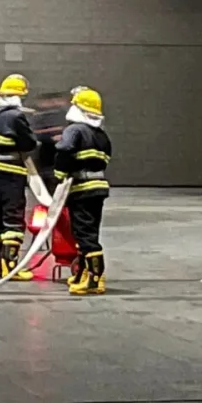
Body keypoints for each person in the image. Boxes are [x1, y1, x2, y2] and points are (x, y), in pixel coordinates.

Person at [54, 87, 112, 295]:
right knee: (88, 232)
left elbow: (64, 149)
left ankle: (95, 280)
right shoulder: (101, 135)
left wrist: (60, 172)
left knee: (84, 235)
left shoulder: (75, 130)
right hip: (98, 188)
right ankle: (82, 274)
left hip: (81, 190)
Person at [0, 74, 39, 281]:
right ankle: (10, 266)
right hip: (10, 171)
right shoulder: (16, 116)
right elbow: (29, 143)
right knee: (13, 217)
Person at [27, 91, 71, 195]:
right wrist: (51, 138)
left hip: (59, 162)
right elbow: (33, 134)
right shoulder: (38, 117)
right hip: (45, 161)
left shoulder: (66, 116)